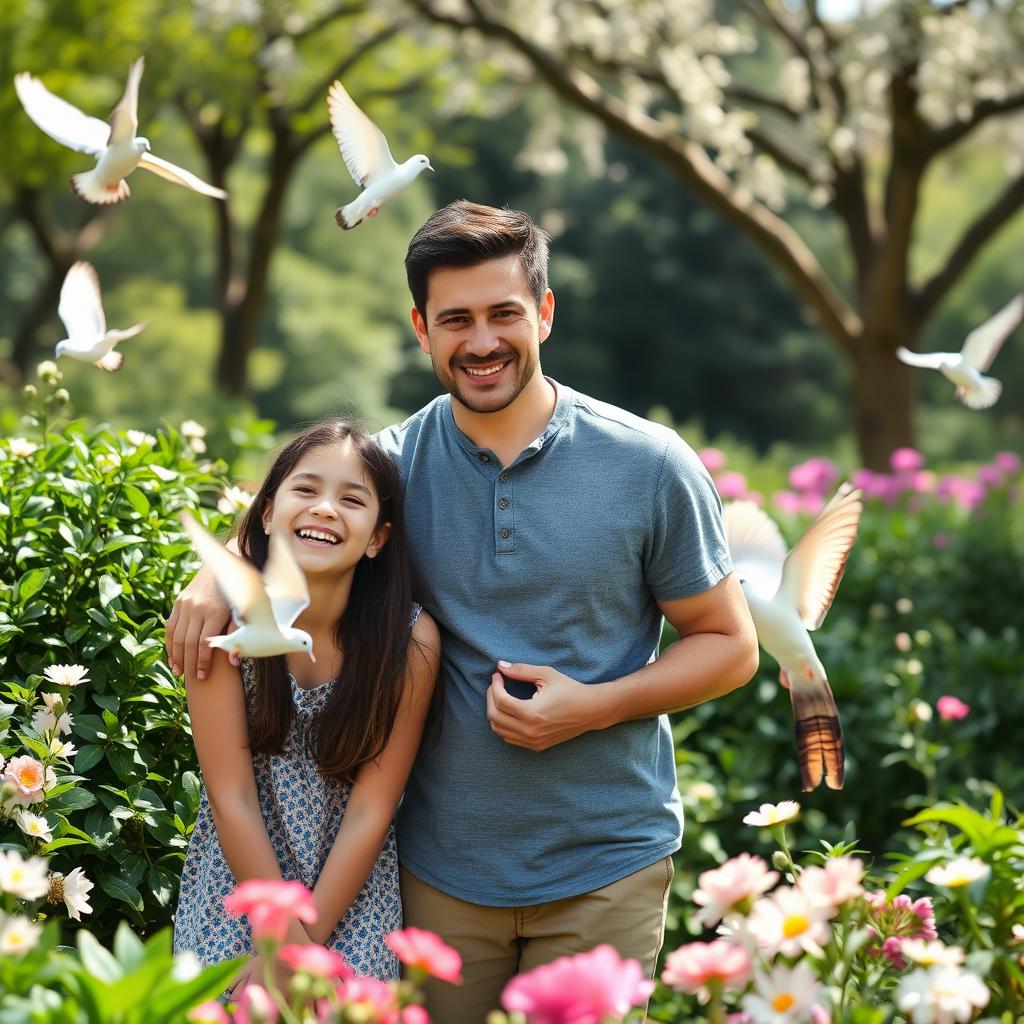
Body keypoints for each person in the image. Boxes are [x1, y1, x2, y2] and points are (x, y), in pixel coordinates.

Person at [167, 200, 759, 1021]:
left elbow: (730, 645)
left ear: (544, 312)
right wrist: (217, 573)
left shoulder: (650, 465)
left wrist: (591, 709)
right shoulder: (400, 466)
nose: (481, 342)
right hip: (439, 876)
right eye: (455, 320)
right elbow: (304, 515)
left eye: (503, 314)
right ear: (422, 330)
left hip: (605, 863)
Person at [172, 418, 439, 989]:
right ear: (266, 515)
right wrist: (279, 947)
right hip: (238, 886)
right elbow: (233, 795)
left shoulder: (408, 640)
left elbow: (372, 808)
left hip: (350, 893)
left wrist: (300, 955)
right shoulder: (226, 627)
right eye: (306, 489)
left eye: (351, 499)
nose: (324, 508)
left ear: (378, 538)